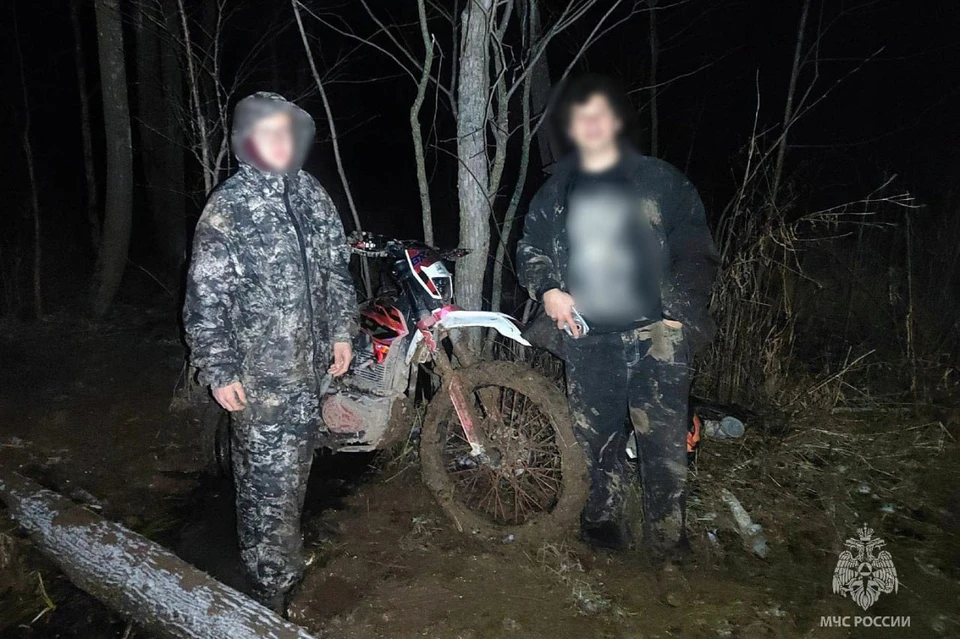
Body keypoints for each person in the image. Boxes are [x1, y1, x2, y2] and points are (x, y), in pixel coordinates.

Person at [517, 75, 719, 588]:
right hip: (588, 336)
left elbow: (696, 248)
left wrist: (679, 308)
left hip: (657, 335)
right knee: (596, 437)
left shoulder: (661, 180)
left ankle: (667, 542)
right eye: (581, 117)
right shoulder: (559, 188)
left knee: (663, 443)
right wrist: (548, 290)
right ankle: (602, 524)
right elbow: (530, 246)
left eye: (600, 115)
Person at [183, 92, 358, 609]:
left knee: (296, 467)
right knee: (265, 482)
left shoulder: (311, 194)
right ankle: (270, 588)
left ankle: (286, 556)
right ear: (247, 140)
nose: (280, 142)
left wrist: (342, 331)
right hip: (261, 378)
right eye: (268, 133)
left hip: (310, 369)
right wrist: (219, 368)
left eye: (287, 132)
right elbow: (205, 296)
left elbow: (335, 270)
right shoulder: (230, 208)